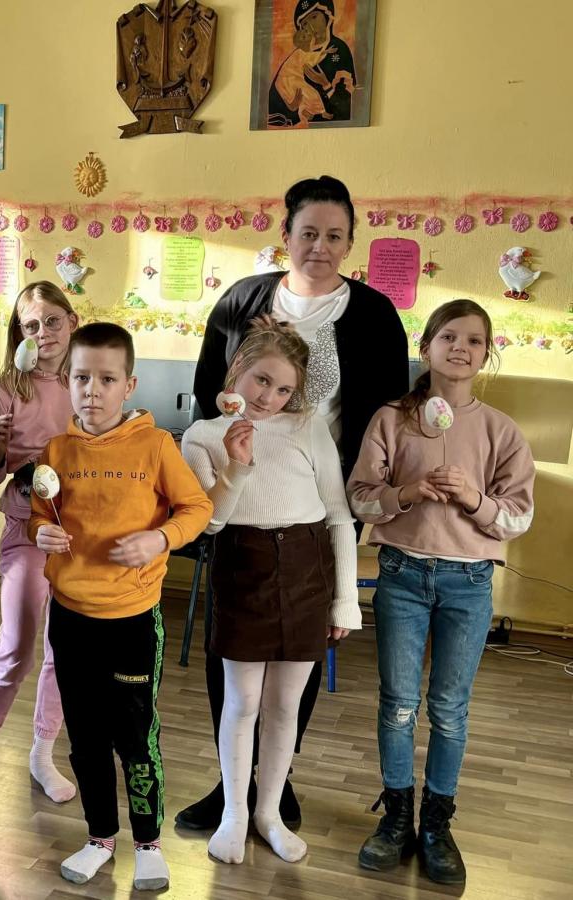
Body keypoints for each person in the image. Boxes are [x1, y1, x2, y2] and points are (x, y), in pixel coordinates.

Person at [183, 174, 408, 832]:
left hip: (319, 501)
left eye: (335, 236)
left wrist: (361, 499)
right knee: (234, 649)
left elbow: (387, 414)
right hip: (238, 497)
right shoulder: (242, 301)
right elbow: (209, 390)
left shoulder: (372, 315)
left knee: (295, 655)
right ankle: (231, 787)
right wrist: (217, 470)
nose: (320, 246)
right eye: (308, 233)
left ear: (350, 243)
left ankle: (274, 786)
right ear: (285, 234)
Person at [348, 300, 534, 886]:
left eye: (474, 340)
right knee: (398, 703)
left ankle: (437, 821)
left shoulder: (501, 430)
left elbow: (518, 516)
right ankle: (396, 816)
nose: (460, 348)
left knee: (450, 709)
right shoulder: (390, 420)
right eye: (449, 336)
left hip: (469, 582)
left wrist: (475, 499)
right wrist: (406, 492)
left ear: (486, 354)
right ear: (425, 347)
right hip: (403, 575)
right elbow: (359, 497)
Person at [30, 323, 212, 891]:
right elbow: (41, 515)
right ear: (67, 380)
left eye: (107, 379)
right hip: (70, 617)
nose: (93, 390)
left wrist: (159, 539)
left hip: (131, 620)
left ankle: (149, 843)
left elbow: (197, 508)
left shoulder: (155, 446)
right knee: (85, 737)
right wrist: (40, 533)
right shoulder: (57, 451)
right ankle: (100, 837)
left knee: (134, 736)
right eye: (82, 378)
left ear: (129, 385)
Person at [182, 316, 360, 865]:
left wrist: (345, 599)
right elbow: (210, 523)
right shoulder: (202, 435)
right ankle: (234, 813)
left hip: (307, 569)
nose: (269, 397)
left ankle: (269, 812)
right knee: (242, 703)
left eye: (283, 389)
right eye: (262, 379)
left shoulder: (308, 427)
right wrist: (236, 466)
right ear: (238, 368)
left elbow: (338, 515)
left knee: (285, 704)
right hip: (243, 565)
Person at [0, 281, 80, 806]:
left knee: (65, 649)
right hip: (25, 526)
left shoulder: (85, 380)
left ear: (72, 322)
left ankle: (42, 751)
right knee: (16, 644)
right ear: (19, 334)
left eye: (52, 320)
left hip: (79, 534)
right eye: (31, 325)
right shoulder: (5, 389)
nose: (43, 332)